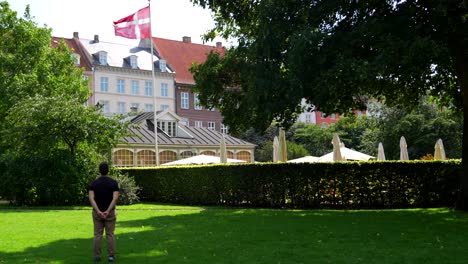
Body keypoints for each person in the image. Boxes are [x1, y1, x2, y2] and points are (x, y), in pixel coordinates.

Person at [89, 162, 119, 263]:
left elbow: (91, 199)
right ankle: (111, 256)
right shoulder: (113, 183)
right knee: (110, 234)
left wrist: (98, 211)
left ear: (99, 170)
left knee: (97, 235)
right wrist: (107, 211)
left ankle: (97, 256)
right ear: (108, 170)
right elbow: (115, 199)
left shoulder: (94, 183)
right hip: (110, 213)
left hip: (97, 213)